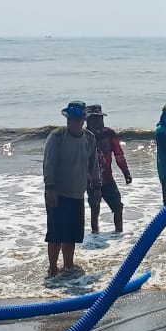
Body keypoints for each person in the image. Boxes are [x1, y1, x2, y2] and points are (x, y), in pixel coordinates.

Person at [43, 100, 100, 276]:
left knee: (72, 234)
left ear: (84, 119)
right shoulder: (57, 137)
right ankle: (53, 268)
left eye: (77, 118)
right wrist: (50, 187)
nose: (74, 122)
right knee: (56, 234)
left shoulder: (89, 138)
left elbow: (94, 165)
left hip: (77, 194)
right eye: (71, 118)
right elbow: (49, 164)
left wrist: (96, 187)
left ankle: (68, 265)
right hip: (57, 193)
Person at [85, 105, 132, 233]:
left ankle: (119, 234)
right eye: (94, 118)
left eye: (100, 117)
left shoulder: (109, 133)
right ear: (87, 120)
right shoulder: (83, 136)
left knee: (118, 207)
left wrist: (126, 172)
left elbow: (119, 154)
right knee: (95, 209)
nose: (98, 121)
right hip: (90, 181)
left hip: (107, 178)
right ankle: (95, 236)